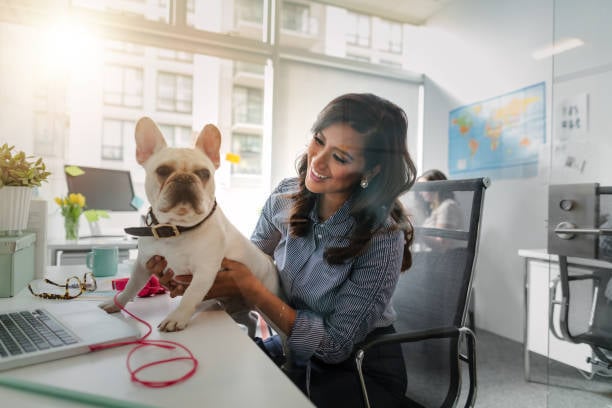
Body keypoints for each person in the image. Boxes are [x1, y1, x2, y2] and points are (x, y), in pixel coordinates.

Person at [147, 93, 417, 408]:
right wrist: (187, 278)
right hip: (294, 352)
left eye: (340, 157)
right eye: (318, 140)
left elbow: (333, 347)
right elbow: (235, 267)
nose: (317, 161)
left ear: (370, 171)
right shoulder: (285, 197)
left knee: (241, 397)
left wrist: (254, 290)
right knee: (206, 376)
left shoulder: (383, 235)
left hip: (359, 371)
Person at [415, 169, 464, 251]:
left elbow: (442, 245)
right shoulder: (436, 209)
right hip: (434, 258)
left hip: (446, 259)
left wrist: (418, 231)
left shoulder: (448, 206)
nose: (420, 193)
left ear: (435, 188)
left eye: (423, 188)